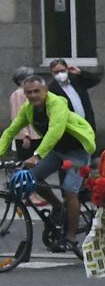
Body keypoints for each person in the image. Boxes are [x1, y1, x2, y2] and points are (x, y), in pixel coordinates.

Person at [2, 71, 95, 242]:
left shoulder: (56, 103)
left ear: (45, 90)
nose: (33, 95)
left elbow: (55, 130)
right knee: (30, 178)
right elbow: (10, 132)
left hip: (77, 150)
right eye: (29, 92)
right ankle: (57, 206)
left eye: (36, 91)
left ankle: (71, 236)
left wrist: (37, 155)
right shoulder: (28, 109)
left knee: (69, 190)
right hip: (57, 151)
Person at [45, 58, 100, 133]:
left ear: (67, 69)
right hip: (70, 129)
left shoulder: (77, 80)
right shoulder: (51, 89)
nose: (60, 74)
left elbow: (96, 80)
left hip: (87, 125)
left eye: (62, 71)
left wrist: (80, 72)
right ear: (52, 73)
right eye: (56, 72)